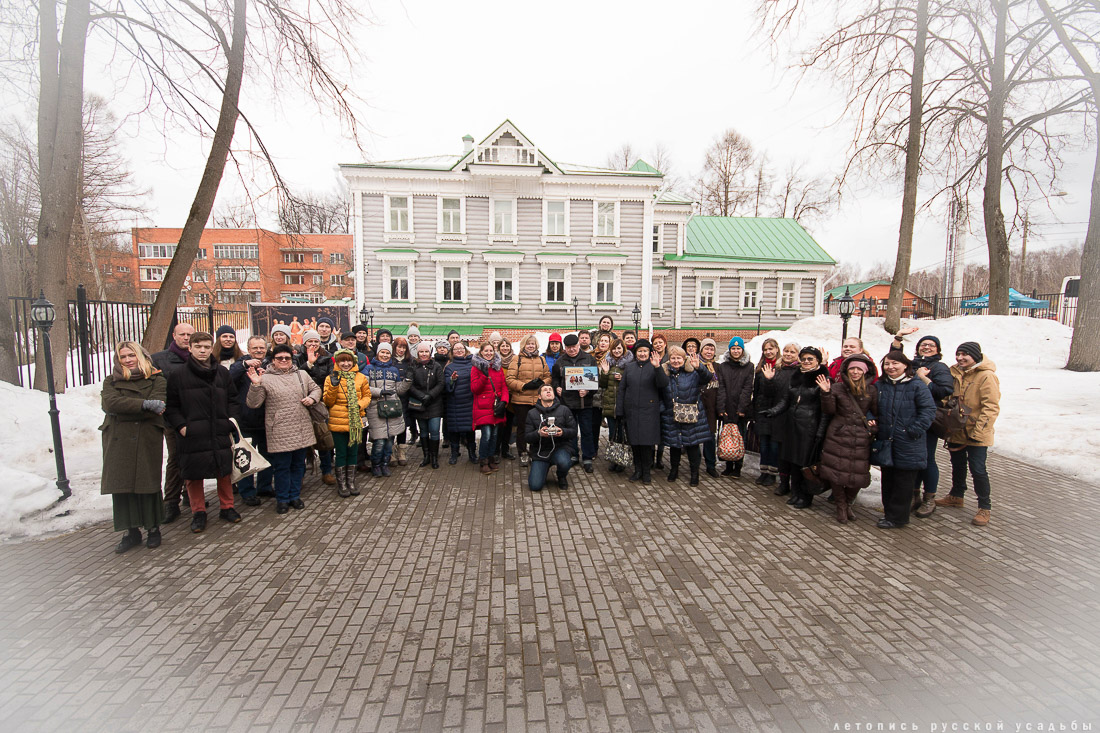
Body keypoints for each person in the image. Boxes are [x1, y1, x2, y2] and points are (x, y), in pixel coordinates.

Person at [164, 331, 240, 532]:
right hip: (192, 433)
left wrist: (230, 422)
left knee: (223, 470)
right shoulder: (178, 375)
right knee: (193, 474)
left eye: (207, 347)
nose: (203, 351)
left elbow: (233, 399)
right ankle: (198, 512)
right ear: (190, 348)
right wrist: (182, 427)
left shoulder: (222, 373)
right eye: (198, 347)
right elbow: (171, 406)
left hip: (219, 430)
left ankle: (227, 507)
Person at [100, 342, 167, 552]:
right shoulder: (111, 381)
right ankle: (131, 532)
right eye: (123, 357)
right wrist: (143, 404)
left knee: (148, 485)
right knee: (122, 486)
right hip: (118, 440)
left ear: (141, 356)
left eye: (132, 355)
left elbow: (158, 404)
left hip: (146, 436)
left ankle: (153, 529)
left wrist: (132, 407)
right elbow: (110, 404)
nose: (128, 360)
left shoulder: (157, 379)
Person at [244, 343, 320, 513]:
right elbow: (253, 403)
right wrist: (255, 385)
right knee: (282, 467)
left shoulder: (301, 375)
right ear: (273, 360)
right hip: (279, 430)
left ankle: (295, 496)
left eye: (287, 358)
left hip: (301, 427)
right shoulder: (265, 378)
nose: (284, 360)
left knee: (298, 465)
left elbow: (316, 389)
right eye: (280, 358)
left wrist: (312, 398)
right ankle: (282, 498)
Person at [889, 329, 955, 518]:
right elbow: (894, 358)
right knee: (912, 459)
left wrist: (924, 377)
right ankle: (913, 494)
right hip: (907, 418)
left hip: (928, 419)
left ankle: (929, 498)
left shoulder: (940, 367)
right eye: (923, 344)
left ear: (937, 350)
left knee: (926, 459)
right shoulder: (912, 363)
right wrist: (898, 337)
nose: (926, 347)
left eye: (931, 345)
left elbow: (944, 391)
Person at [936, 341, 1000, 527]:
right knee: (957, 464)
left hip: (976, 432)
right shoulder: (953, 372)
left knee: (978, 469)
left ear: (975, 356)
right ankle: (956, 495)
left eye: (965, 355)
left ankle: (984, 507)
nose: (960, 358)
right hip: (956, 429)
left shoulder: (987, 376)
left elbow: (991, 407)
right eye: (958, 354)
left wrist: (979, 432)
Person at [874, 350, 937, 529]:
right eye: (887, 364)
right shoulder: (881, 385)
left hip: (909, 442)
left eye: (895, 363)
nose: (891, 367)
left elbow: (928, 411)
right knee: (888, 480)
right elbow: (871, 405)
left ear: (905, 365)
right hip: (886, 440)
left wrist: (913, 430)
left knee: (903, 482)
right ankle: (889, 514)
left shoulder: (916, 385)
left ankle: (898, 518)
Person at [763, 346, 830, 510]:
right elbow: (786, 400)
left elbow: (825, 410)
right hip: (792, 425)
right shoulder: (796, 375)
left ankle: (806, 497)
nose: (806, 362)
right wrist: (772, 411)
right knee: (793, 462)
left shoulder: (822, 377)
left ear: (817, 361)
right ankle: (796, 493)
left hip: (810, 426)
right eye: (804, 359)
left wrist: (820, 432)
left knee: (805, 463)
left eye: (810, 359)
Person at [817, 354, 879, 523]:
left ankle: (849, 502)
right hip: (839, 433)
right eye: (852, 368)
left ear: (865, 371)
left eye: (859, 369)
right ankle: (841, 506)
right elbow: (829, 410)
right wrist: (826, 393)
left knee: (858, 473)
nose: (855, 372)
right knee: (836, 471)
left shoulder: (872, 390)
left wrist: (873, 425)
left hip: (860, 436)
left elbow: (875, 412)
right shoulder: (838, 387)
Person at [151, 321, 195, 523]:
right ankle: (170, 502)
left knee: (195, 456)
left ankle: (190, 495)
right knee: (176, 459)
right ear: (174, 337)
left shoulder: (200, 357)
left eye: (189, 335)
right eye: (182, 334)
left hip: (197, 416)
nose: (186, 338)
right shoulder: (159, 360)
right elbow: (156, 390)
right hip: (172, 419)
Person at [228, 336, 275, 506]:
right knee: (245, 457)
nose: (259, 351)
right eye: (255, 348)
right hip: (245, 420)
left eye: (261, 348)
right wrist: (244, 365)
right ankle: (247, 491)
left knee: (267, 455)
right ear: (248, 349)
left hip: (266, 420)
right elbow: (229, 378)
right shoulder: (239, 365)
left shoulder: (270, 364)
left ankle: (264, 486)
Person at [660, 346, 715, 486]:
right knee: (675, 445)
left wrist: (699, 368)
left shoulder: (692, 372)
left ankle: (694, 473)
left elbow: (708, 378)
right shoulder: (665, 373)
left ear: (684, 359)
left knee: (692, 446)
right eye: (673, 358)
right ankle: (674, 470)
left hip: (691, 415)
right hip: (671, 414)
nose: (676, 361)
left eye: (679, 358)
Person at [615, 339, 668, 484]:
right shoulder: (629, 368)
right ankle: (637, 470)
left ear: (650, 352)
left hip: (648, 412)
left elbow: (663, 384)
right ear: (636, 353)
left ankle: (646, 472)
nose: (642, 354)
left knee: (646, 444)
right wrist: (619, 410)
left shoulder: (655, 366)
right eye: (640, 351)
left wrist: (657, 368)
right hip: (631, 412)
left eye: (645, 351)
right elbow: (622, 389)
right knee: (635, 443)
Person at [323, 348, 370, 498]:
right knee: (341, 453)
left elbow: (367, 396)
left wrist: (359, 405)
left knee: (353, 453)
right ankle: (342, 484)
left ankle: (351, 482)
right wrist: (334, 386)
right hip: (338, 421)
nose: (345, 363)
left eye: (348, 360)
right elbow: (327, 401)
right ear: (337, 362)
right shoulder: (330, 378)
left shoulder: (361, 378)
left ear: (354, 362)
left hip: (355, 422)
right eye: (342, 360)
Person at [551, 333, 599, 473]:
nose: (572, 350)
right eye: (569, 347)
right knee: (570, 432)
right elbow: (554, 379)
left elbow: (596, 383)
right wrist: (556, 388)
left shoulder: (589, 359)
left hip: (585, 403)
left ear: (579, 345)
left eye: (574, 347)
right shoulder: (560, 361)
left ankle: (587, 457)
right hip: (567, 404)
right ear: (565, 348)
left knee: (587, 431)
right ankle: (572, 455)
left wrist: (588, 391)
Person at [755, 342, 800, 494]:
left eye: (792, 352)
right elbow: (766, 391)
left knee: (775, 446)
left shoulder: (798, 371)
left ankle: (773, 474)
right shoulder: (777, 369)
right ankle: (764, 471)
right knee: (764, 444)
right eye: (787, 351)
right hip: (766, 410)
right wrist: (769, 380)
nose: (788, 354)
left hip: (783, 413)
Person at [363, 341, 409, 477]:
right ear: (378, 353)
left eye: (387, 353)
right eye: (382, 352)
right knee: (379, 441)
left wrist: (408, 381)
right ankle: (376, 465)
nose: (385, 355)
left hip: (392, 408)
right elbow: (363, 387)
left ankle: (385, 464)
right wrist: (379, 392)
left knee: (389, 441)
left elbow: (398, 389)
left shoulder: (394, 370)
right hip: (375, 408)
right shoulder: (369, 369)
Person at [295, 329, 335, 485]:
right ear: (304, 343)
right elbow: (295, 378)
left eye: (316, 341)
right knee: (303, 441)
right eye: (309, 341)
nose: (313, 344)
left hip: (320, 403)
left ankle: (326, 471)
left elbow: (330, 378)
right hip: (301, 403)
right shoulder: (297, 358)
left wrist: (322, 397)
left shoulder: (327, 358)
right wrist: (309, 364)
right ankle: (302, 473)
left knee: (323, 437)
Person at [506, 335, 551, 468]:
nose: (531, 346)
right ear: (523, 345)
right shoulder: (516, 359)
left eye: (533, 344)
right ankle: (522, 452)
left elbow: (548, 376)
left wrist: (542, 383)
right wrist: (524, 386)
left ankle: (535, 451)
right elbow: (510, 379)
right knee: (522, 428)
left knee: (538, 427)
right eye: (528, 344)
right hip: (521, 400)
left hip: (537, 400)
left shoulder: (541, 359)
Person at [525, 384, 579, 491]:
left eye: (551, 390)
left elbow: (573, 431)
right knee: (535, 486)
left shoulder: (564, 410)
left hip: (560, 447)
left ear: (554, 394)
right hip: (541, 451)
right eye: (545, 390)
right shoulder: (532, 413)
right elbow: (526, 437)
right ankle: (542, 468)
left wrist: (562, 432)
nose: (548, 391)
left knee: (564, 461)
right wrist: (538, 433)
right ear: (539, 396)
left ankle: (561, 475)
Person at [716, 337, 754, 478]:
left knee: (739, 438)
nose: (736, 351)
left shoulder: (749, 366)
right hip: (726, 407)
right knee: (726, 437)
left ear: (742, 350)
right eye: (733, 348)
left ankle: (738, 467)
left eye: (738, 349)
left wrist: (742, 408)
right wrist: (721, 408)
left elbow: (747, 388)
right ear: (729, 350)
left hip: (740, 409)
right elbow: (721, 388)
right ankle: (728, 465)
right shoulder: (723, 366)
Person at [470, 342, 509, 474]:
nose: (489, 353)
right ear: (481, 352)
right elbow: (474, 389)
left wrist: (504, 401)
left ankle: (491, 458)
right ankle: (484, 460)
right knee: (486, 435)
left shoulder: (498, 367)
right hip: (483, 407)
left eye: (491, 351)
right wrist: (484, 376)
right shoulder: (476, 368)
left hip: (496, 407)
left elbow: (504, 386)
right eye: (486, 351)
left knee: (495, 435)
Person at [405, 342, 446, 468]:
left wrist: (430, 395)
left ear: (430, 352)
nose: (424, 354)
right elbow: (409, 384)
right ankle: (426, 456)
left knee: (434, 430)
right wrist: (421, 396)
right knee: (423, 431)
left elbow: (441, 383)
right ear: (418, 353)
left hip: (434, 403)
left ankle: (434, 457)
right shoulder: (413, 366)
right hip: (419, 403)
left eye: (426, 351)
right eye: (421, 352)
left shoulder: (436, 366)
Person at [598, 338, 632, 472]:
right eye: (614, 349)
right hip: (611, 404)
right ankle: (614, 459)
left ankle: (623, 459)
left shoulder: (630, 364)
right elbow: (602, 384)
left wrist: (623, 378)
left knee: (623, 434)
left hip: (624, 405)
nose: (617, 351)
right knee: (613, 433)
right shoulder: (607, 362)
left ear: (624, 349)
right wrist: (605, 373)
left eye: (619, 348)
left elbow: (633, 383)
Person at [444, 342, 477, 464]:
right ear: (452, 352)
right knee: (454, 431)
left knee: (470, 431)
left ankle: (472, 453)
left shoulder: (473, 364)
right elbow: (447, 386)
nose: (459, 350)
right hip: (455, 404)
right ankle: (454, 454)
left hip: (469, 402)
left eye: (461, 348)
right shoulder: (449, 367)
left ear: (465, 350)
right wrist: (452, 380)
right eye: (456, 349)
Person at [697, 338, 721, 477]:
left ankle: (710, 465)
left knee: (710, 437)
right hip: (698, 404)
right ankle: (694, 464)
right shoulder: (696, 364)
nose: (709, 351)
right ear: (701, 350)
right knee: (695, 437)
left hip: (712, 406)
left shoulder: (718, 367)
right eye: (706, 348)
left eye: (711, 349)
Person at [391, 337, 413, 465]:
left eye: (403, 347)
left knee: (403, 425)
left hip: (405, 398)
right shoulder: (390, 360)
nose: (401, 350)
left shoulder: (410, 362)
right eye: (399, 347)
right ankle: (391, 452)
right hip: (391, 398)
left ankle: (401, 451)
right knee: (392, 424)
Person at [495, 338, 517, 460]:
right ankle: (496, 450)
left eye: (507, 346)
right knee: (498, 426)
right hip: (499, 398)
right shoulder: (494, 360)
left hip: (512, 397)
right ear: (498, 348)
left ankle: (505, 449)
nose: (505, 348)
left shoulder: (515, 359)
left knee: (508, 425)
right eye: (502, 346)